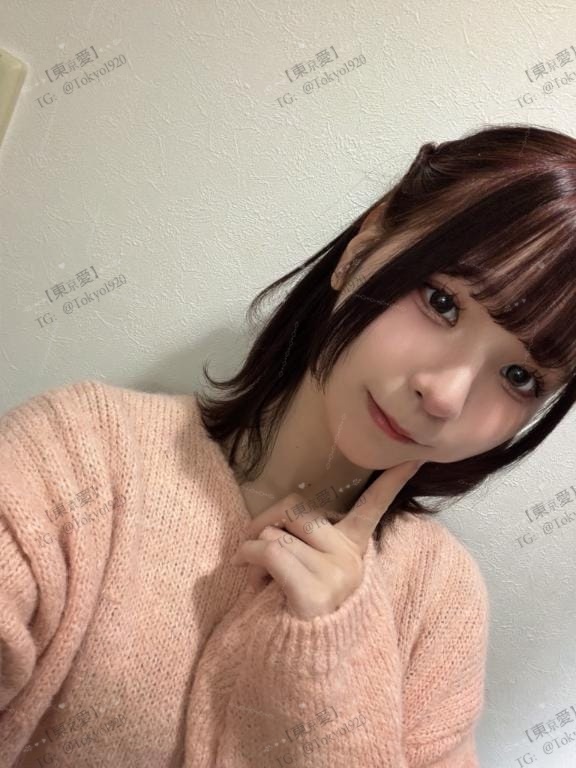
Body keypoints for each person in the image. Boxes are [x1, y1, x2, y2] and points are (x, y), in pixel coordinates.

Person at [1, 123, 575, 768]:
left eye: (519, 375)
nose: (445, 394)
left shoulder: (439, 599)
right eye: (442, 302)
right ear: (365, 245)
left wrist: (333, 668)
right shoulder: (79, 458)